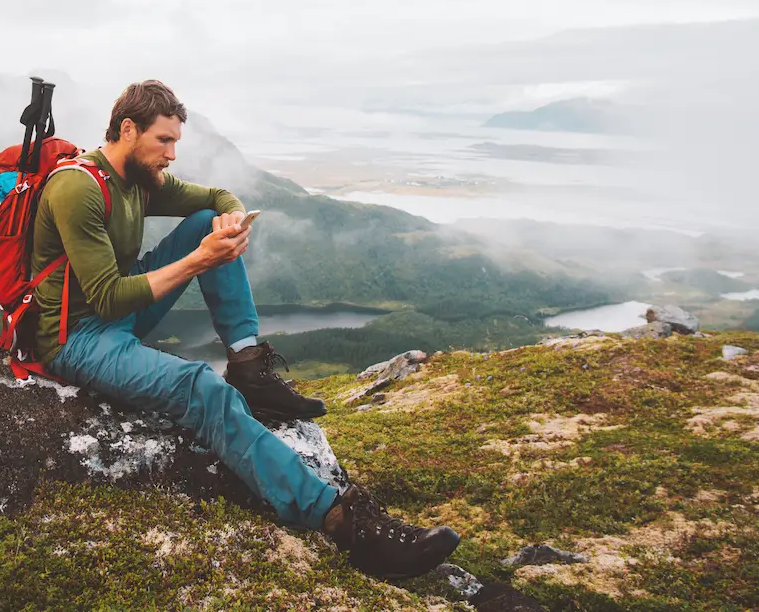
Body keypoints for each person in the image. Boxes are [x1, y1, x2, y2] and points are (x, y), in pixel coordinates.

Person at [29, 79, 460, 579]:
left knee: (206, 220)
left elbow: (214, 196)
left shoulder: (136, 178)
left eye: (175, 143)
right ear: (128, 129)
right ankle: (340, 522)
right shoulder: (78, 187)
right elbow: (105, 296)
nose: (171, 154)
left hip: (116, 316)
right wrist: (197, 260)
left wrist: (228, 221)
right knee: (202, 389)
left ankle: (249, 365)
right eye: (164, 141)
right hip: (74, 337)